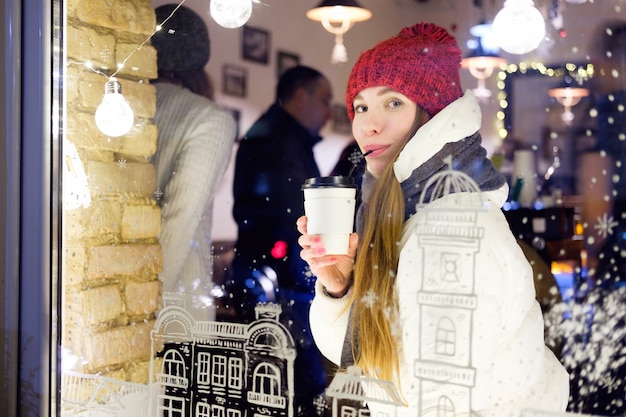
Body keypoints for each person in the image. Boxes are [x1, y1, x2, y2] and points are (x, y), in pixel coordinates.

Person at [297, 23, 570, 416]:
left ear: (433, 114)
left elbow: (439, 400)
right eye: (361, 106)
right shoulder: (400, 211)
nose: (368, 124)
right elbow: (365, 354)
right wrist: (339, 287)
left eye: (392, 103)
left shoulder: (449, 229)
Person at [229, 65, 333, 416]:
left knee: (276, 382)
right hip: (280, 281)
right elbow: (293, 220)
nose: (328, 111)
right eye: (324, 100)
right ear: (300, 96)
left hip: (268, 274)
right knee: (299, 385)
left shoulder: (276, 133)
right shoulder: (280, 140)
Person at [150, 4, 236, 321]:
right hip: (176, 310)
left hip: (131, 297)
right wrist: (147, 304)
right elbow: (181, 216)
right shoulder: (209, 119)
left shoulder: (121, 108)